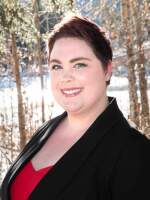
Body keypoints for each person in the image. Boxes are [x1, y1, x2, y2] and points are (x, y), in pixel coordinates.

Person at [1, 15, 150, 200]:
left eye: (79, 65)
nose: (66, 77)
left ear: (107, 69)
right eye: (57, 66)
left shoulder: (134, 152)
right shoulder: (46, 130)